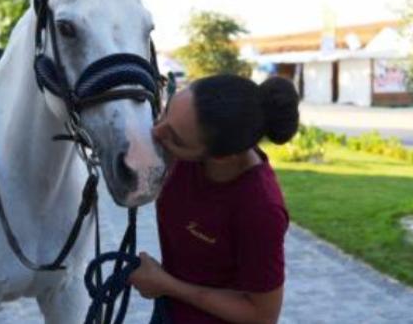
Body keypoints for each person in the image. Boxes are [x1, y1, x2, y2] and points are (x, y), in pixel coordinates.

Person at [128, 74, 300, 324]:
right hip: (169, 312)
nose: (156, 132)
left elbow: (263, 316)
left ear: (220, 157)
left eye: (174, 138)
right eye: (166, 112)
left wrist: (167, 285)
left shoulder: (260, 209)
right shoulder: (189, 140)